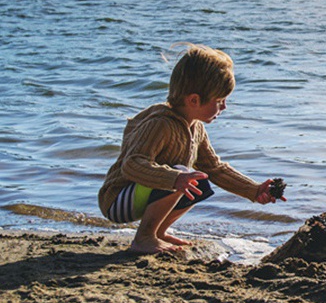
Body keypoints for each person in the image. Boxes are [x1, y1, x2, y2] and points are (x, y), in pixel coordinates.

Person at [98, 44, 284, 254]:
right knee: (184, 175)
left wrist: (254, 190)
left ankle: (158, 232)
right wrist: (174, 178)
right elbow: (131, 165)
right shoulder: (160, 124)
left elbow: (215, 169)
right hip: (118, 199)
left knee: (199, 179)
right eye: (219, 101)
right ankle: (144, 238)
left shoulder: (196, 127)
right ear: (194, 100)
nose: (224, 107)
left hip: (144, 195)